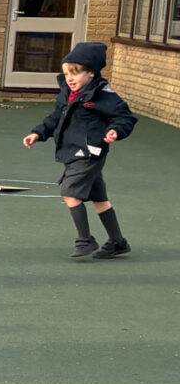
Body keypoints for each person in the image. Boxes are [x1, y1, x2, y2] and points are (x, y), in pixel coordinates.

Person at [22, 42, 137, 258]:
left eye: (76, 73)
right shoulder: (67, 94)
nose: (70, 79)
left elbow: (124, 117)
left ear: (91, 73)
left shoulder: (103, 96)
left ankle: (85, 240)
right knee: (99, 199)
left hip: (88, 153)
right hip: (72, 151)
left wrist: (115, 132)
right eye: (66, 74)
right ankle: (118, 241)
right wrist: (38, 133)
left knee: (70, 193)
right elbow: (55, 118)